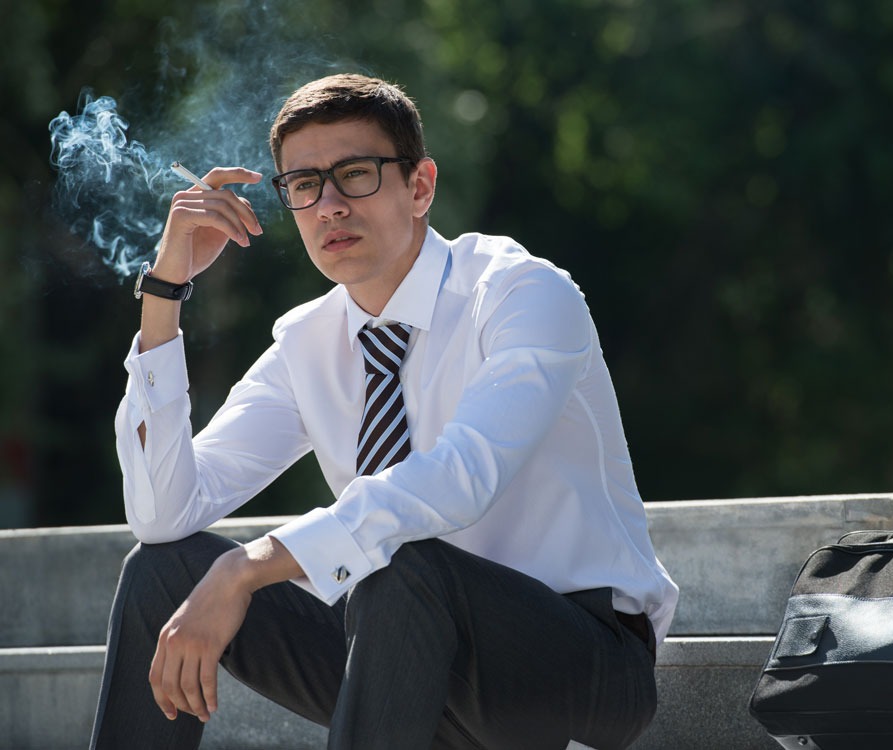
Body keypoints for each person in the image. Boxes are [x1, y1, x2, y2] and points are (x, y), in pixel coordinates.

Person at [89, 72, 679, 750]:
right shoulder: (307, 343)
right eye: (305, 186)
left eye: (356, 174)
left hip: (577, 664)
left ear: (420, 186)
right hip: (400, 656)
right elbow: (163, 514)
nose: (330, 205)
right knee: (162, 569)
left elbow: (460, 478)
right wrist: (165, 291)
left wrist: (249, 564)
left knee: (402, 566)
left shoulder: (521, 293)